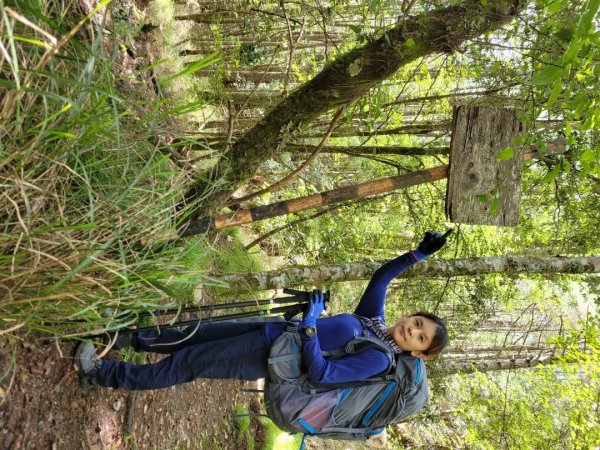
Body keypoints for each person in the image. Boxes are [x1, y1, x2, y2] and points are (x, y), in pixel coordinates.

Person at [75, 231, 450, 390]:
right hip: (269, 329)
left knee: (188, 363)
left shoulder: (378, 360)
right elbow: (382, 277)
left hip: (268, 358)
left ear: (418, 352)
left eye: (420, 338)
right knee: (189, 333)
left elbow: (321, 375)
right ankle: (122, 339)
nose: (413, 331)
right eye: (417, 323)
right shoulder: (373, 322)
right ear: (411, 316)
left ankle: (101, 373)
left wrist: (309, 329)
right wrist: (418, 254)